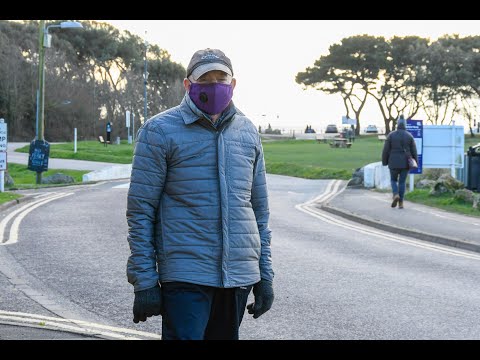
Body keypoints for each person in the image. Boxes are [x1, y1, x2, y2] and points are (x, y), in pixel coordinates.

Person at [126, 48, 274, 340]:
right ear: (188, 84)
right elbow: (140, 210)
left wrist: (265, 275)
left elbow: (258, 211)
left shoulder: (247, 132)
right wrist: (144, 281)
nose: (214, 85)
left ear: (233, 84)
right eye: (205, 79)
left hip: (237, 276)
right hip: (185, 275)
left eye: (221, 78)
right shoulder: (159, 131)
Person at [382, 115, 418, 209]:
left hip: (393, 162)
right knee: (402, 182)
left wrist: (384, 161)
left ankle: (395, 194)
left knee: (393, 180)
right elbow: (414, 151)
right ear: (405, 125)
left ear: (397, 124)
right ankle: (401, 202)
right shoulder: (409, 136)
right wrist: (415, 162)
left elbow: (385, 150)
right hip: (405, 163)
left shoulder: (391, 135)